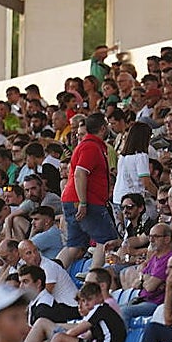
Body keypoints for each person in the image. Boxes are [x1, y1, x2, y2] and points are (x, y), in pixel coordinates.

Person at [60, 113, 120, 267]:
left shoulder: (88, 145)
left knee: (75, 246)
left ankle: (51, 274)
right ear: (103, 128)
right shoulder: (91, 147)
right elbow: (80, 174)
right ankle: (94, 276)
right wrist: (83, 202)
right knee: (107, 240)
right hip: (88, 201)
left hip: (73, 199)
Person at [47, 282, 127, 342]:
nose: (86, 304)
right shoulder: (104, 312)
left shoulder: (99, 308)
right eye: (84, 300)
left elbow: (74, 332)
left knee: (59, 338)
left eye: (89, 299)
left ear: (100, 297)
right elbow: (86, 337)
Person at [112, 121, 157, 218]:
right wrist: (157, 194)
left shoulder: (123, 156)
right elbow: (146, 182)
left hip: (117, 197)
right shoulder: (141, 156)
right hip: (131, 201)